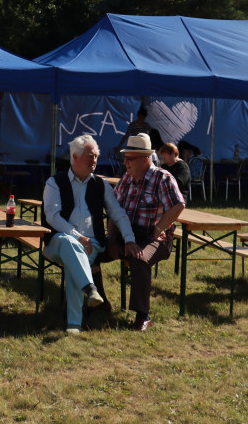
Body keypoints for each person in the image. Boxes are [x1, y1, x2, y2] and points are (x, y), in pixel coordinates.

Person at [41, 134, 140, 334]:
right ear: (75, 157)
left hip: (92, 243)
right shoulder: (54, 182)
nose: (94, 160)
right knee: (70, 244)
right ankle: (89, 291)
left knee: (74, 258)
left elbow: (118, 214)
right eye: (89, 156)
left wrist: (129, 239)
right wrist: (78, 236)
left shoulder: (101, 185)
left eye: (96, 156)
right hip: (57, 242)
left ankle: (75, 322)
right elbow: (52, 217)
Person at [105, 133, 185, 331]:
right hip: (129, 234)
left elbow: (178, 205)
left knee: (139, 260)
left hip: (155, 238)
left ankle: (143, 316)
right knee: (93, 249)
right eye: (125, 158)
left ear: (145, 159)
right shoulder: (126, 179)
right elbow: (115, 210)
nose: (125, 162)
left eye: (129, 158)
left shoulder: (162, 178)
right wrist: (112, 238)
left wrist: (158, 228)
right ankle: (98, 302)